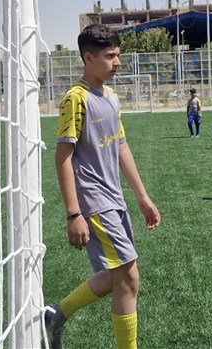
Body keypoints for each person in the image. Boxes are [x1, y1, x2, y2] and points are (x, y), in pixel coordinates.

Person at [45, 24, 161, 349]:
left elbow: (121, 146)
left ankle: (55, 315)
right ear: (88, 58)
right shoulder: (76, 99)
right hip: (94, 201)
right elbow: (63, 156)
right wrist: (73, 214)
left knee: (115, 277)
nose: (118, 62)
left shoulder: (110, 96)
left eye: (118, 55)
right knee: (129, 276)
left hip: (115, 198)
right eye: (110, 56)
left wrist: (142, 197)